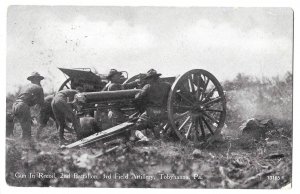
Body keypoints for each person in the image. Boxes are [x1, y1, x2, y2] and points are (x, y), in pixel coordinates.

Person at [131, 69, 171, 144]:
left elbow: (138, 98)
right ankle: (157, 134)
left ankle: (144, 138)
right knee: (152, 123)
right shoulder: (167, 85)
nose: (147, 80)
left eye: (148, 79)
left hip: (150, 113)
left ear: (151, 78)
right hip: (163, 112)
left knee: (134, 128)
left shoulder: (148, 87)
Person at [12, 72, 45, 141]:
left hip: (15, 105)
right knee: (27, 132)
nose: (40, 81)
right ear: (36, 79)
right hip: (23, 106)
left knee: (24, 129)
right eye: (39, 79)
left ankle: (20, 145)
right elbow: (42, 104)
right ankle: (27, 148)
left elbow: (26, 99)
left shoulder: (25, 86)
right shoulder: (39, 88)